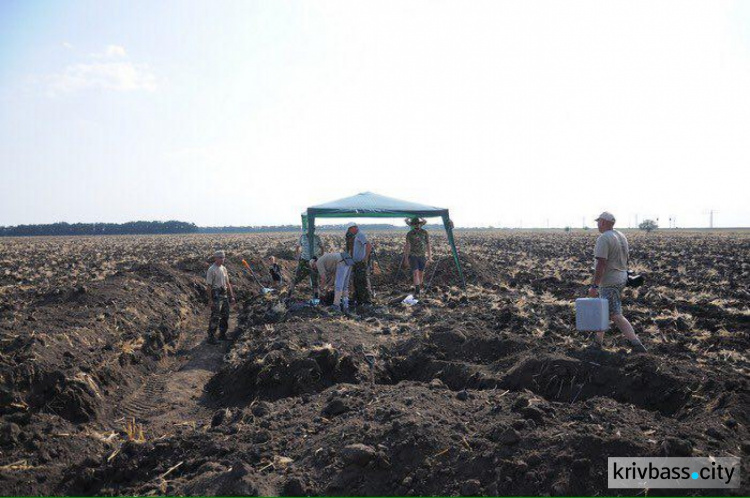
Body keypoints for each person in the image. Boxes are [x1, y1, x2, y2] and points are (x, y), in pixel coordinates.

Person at [587, 212, 647, 352]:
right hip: (621, 277)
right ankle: (597, 342)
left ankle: (636, 344)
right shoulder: (621, 236)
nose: (597, 225)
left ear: (603, 222)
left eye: (598, 222)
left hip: (610, 281)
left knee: (615, 314)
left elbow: (601, 264)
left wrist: (594, 286)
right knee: (605, 311)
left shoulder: (604, 238)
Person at [206, 250, 235, 344]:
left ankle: (222, 334)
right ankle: (211, 336)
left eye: (224, 257)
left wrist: (232, 296)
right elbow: (209, 286)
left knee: (225, 315)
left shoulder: (224, 268)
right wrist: (210, 299)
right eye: (220, 257)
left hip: (224, 293)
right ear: (215, 258)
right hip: (216, 293)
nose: (223, 259)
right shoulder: (211, 269)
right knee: (215, 315)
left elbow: (227, 283)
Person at [402, 217, 432, 295]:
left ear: (420, 224)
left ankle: (419, 286)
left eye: (418, 223)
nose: (416, 225)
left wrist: (429, 257)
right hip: (413, 256)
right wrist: (406, 258)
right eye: (415, 224)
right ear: (412, 225)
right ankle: (417, 290)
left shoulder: (424, 232)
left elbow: (428, 244)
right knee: (415, 273)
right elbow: (407, 246)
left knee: (421, 273)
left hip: (422, 256)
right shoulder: (409, 234)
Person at [346, 222, 372, 306]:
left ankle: (366, 302)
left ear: (353, 228)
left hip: (360, 263)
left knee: (361, 282)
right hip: (356, 263)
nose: (350, 231)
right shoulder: (357, 236)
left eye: (350, 230)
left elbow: (368, 245)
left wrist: (365, 257)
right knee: (357, 282)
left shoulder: (360, 234)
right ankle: (360, 301)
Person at [293, 228, 324, 298]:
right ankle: (290, 293)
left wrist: (320, 257)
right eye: (311, 229)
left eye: (313, 229)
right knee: (297, 277)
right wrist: (298, 256)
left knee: (315, 280)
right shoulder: (302, 237)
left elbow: (322, 247)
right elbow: (297, 247)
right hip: (304, 260)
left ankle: (316, 298)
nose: (312, 230)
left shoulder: (317, 238)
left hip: (314, 262)